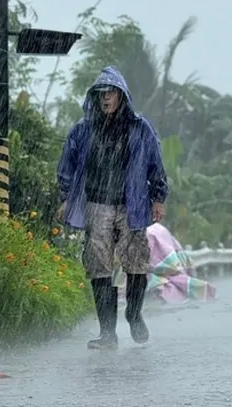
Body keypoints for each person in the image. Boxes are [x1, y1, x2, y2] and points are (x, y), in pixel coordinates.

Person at [56, 66, 169, 350]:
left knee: (136, 262)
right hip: (97, 204)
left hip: (132, 204)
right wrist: (66, 197)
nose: (105, 98)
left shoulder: (139, 128)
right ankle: (107, 333)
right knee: (99, 267)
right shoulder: (83, 130)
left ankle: (133, 314)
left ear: (121, 96)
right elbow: (67, 166)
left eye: (111, 93)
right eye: (101, 93)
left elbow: (156, 164)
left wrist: (158, 197)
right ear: (94, 97)